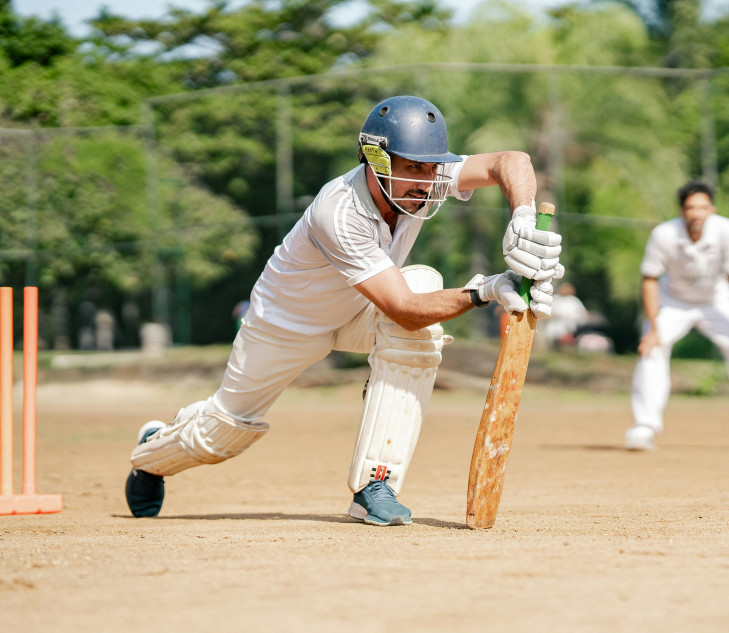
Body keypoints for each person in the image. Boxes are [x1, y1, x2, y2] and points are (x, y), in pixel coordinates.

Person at [125, 96, 564, 525]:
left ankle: (376, 484)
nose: (426, 181)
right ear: (376, 161)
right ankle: (152, 453)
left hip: (359, 310)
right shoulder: (338, 210)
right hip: (286, 325)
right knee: (222, 435)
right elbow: (404, 309)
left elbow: (512, 161)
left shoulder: (423, 178)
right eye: (414, 168)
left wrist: (521, 218)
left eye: (433, 168)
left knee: (421, 302)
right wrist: (486, 290)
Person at [624, 179, 729, 451]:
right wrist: (652, 329)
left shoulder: (728, 231)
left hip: (716, 300)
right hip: (673, 301)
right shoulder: (663, 234)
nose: (697, 213)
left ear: (712, 209)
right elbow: (650, 280)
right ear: (682, 211)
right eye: (691, 208)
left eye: (703, 207)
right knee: (651, 350)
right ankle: (644, 427)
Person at [543, 282, 589, 349]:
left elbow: (583, 313)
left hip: (569, 327)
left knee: (566, 344)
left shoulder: (574, 300)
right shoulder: (555, 298)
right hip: (556, 325)